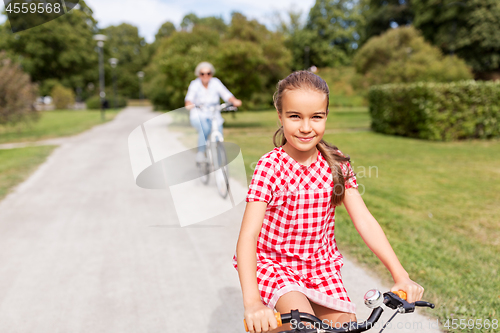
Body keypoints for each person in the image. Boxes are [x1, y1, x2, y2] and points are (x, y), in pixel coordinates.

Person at [233, 71, 424, 333]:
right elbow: (248, 236)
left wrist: (399, 274)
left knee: (349, 327)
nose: (305, 127)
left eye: (316, 117)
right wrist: (253, 302)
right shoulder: (270, 167)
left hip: (321, 267)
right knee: (300, 324)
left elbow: (364, 221)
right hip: (277, 265)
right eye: (294, 116)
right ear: (280, 116)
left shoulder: (335, 162)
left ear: (326, 116)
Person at [184, 62, 242, 163]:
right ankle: (201, 153)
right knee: (205, 128)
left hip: (214, 114)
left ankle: (219, 165)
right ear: (199, 74)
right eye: (202, 74)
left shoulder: (215, 82)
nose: (205, 76)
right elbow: (189, 98)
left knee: (218, 134)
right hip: (199, 114)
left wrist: (234, 101)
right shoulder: (195, 84)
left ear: (211, 74)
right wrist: (189, 104)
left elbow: (226, 94)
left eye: (208, 73)